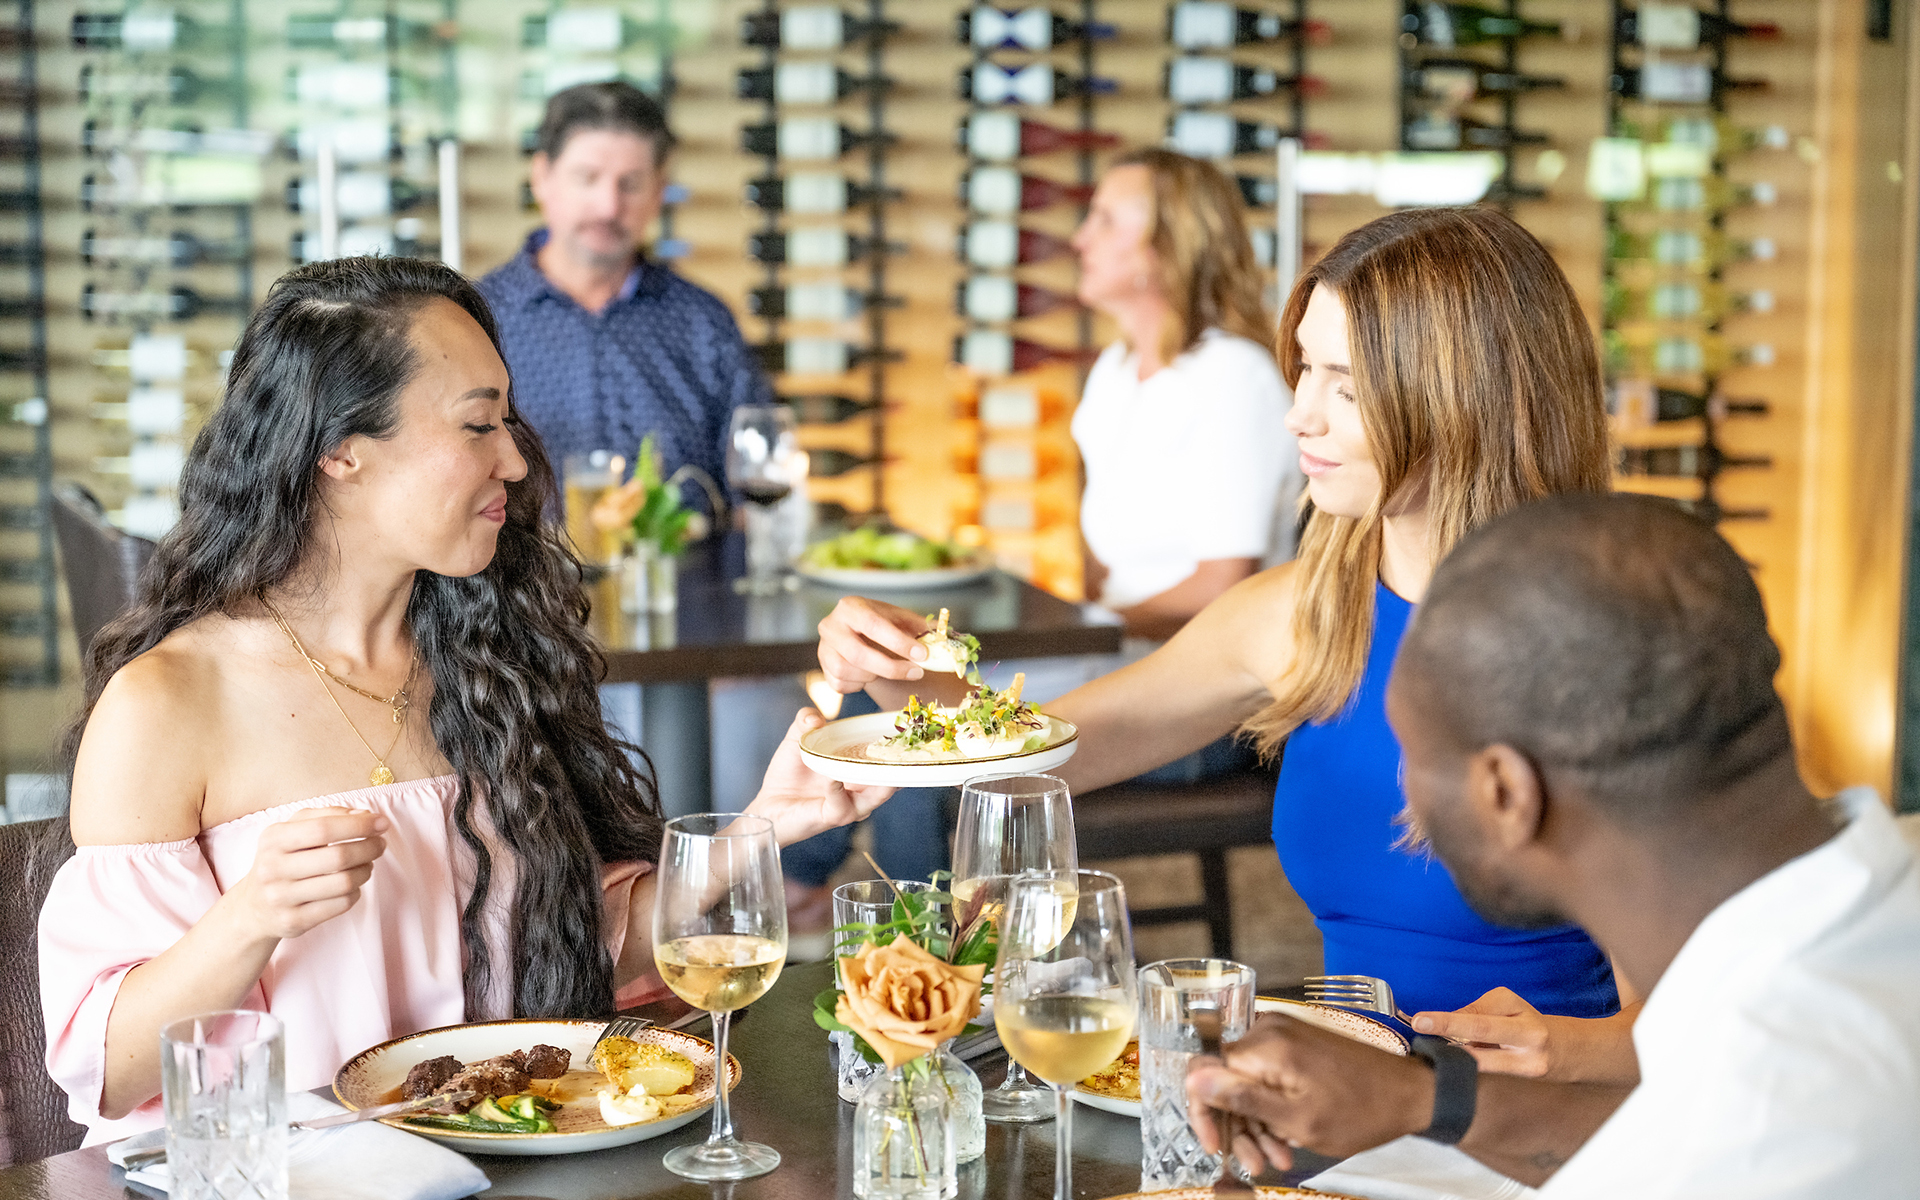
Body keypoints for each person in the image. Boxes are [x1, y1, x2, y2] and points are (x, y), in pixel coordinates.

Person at [39, 257, 887, 1144]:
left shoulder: (487, 666)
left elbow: (570, 953)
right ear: (340, 450)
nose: (515, 461)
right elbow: (112, 1072)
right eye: (479, 424)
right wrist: (250, 917)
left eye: (508, 422)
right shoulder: (167, 702)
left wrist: (762, 827)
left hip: (495, 1166)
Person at [818, 206, 1628, 1038]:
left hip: (1534, 1110)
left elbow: (1696, 1020)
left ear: (1467, 403)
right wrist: (900, 665)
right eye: (1304, 370)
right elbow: (1041, 752)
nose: (1300, 415)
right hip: (1355, 1087)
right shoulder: (1303, 613)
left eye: (1346, 387)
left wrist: (1561, 1051)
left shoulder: (1604, 648)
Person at [1184, 493, 1920, 1198]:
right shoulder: (1862, 913)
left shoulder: (1763, 1131)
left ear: (1507, 793)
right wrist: (1427, 1099)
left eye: (1410, 762)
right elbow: (1657, 1139)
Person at [476, 81, 770, 510]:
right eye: (588, 178)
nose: (608, 207)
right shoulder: (478, 320)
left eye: (630, 184)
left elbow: (754, 489)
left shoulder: (704, 323)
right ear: (542, 178)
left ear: (658, 192)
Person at [1069, 148, 1300, 642]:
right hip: (1122, 644)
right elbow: (1104, 564)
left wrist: (1083, 631)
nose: (1080, 239)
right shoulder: (1114, 369)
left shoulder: (1233, 375)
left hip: (1204, 663)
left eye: (1106, 221)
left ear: (1168, 244)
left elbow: (1222, 585)